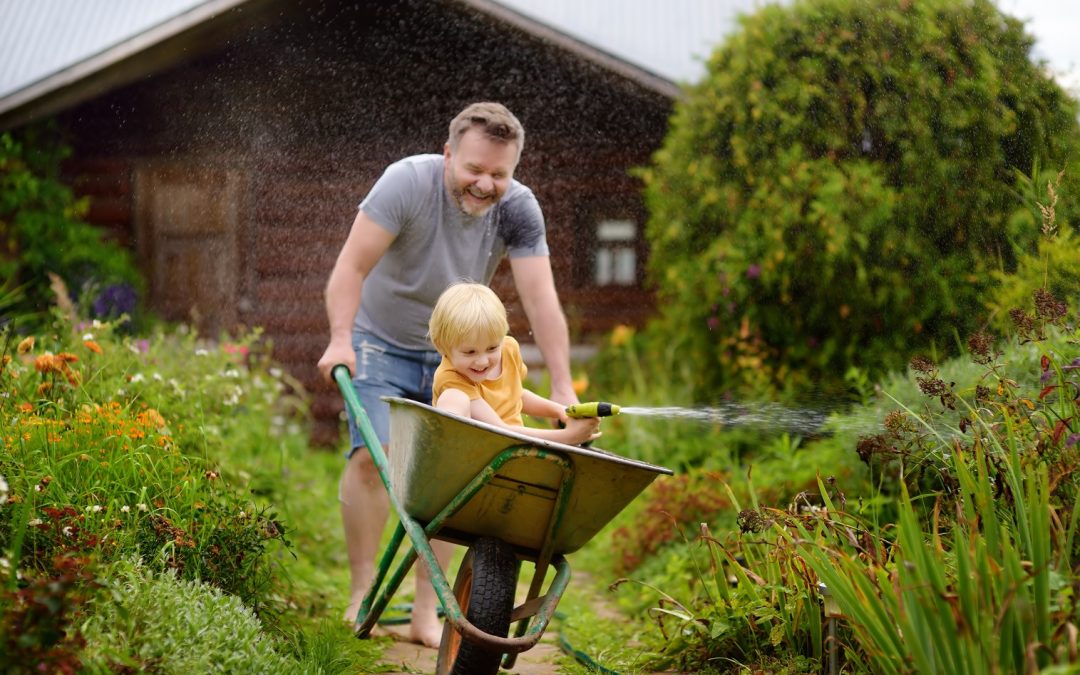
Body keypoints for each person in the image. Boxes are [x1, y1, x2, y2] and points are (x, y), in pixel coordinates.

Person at [315, 102, 579, 647]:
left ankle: (424, 614)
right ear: (448, 154)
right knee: (371, 458)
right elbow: (351, 268)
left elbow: (541, 299)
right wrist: (341, 338)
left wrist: (562, 386)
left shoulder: (519, 209)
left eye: (499, 174)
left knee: (452, 480)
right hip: (378, 341)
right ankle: (362, 592)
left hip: (459, 359)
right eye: (474, 169)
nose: (485, 184)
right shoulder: (405, 184)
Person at [429, 282, 600, 444]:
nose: (482, 361)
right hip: (480, 454)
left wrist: (560, 411)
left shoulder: (508, 349)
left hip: (513, 452)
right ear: (442, 346)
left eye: (492, 348)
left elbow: (516, 394)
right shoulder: (450, 378)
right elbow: (499, 430)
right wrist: (567, 437)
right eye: (469, 352)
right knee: (454, 399)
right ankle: (447, 452)